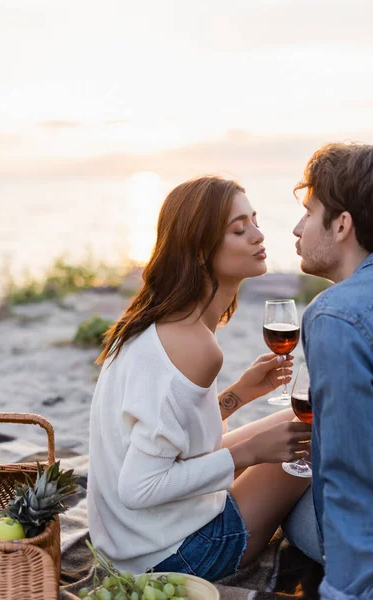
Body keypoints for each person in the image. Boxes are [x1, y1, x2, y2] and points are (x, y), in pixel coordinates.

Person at [87, 176, 311, 580]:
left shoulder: (161, 324)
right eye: (239, 230)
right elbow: (139, 487)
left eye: (255, 221)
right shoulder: (193, 345)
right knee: (320, 433)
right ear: (200, 252)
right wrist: (251, 452)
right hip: (175, 554)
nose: (259, 236)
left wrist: (237, 396)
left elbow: (175, 437)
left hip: (131, 542)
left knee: (298, 423)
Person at [287, 143, 373, 599]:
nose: (297, 228)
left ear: (342, 225)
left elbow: (349, 478)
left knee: (287, 497)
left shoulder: (335, 315)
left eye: (308, 211)